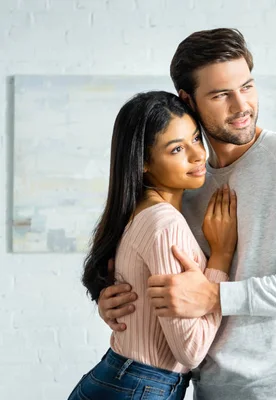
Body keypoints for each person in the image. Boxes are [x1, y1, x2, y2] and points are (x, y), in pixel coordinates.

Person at [97, 28, 276, 400]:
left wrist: (217, 296)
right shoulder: (188, 180)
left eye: (247, 87)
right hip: (209, 389)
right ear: (189, 99)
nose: (241, 106)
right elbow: (177, 291)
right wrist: (119, 303)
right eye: (221, 95)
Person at [68, 91, 238, 400]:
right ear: (144, 162)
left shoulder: (142, 211)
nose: (198, 155)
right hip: (138, 388)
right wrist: (222, 258)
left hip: (122, 380)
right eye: (176, 148)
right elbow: (191, 351)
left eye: (196, 139)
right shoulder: (164, 224)